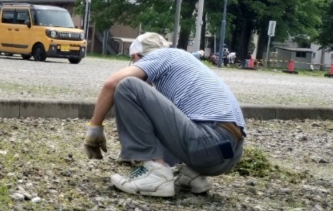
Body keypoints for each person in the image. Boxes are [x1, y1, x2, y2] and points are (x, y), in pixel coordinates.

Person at [84, 32, 246, 197]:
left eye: (132, 61)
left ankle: (156, 175)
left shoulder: (162, 56)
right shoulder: (182, 64)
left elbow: (111, 83)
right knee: (167, 123)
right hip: (229, 155)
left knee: (127, 86)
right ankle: (191, 175)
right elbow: (168, 129)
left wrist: (95, 128)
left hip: (207, 140)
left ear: (137, 57)